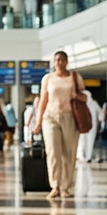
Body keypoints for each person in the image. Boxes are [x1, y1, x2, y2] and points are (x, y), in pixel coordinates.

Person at [31, 51, 87, 200]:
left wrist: (76, 95)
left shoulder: (75, 77)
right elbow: (43, 100)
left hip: (70, 117)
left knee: (69, 153)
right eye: (57, 60)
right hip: (50, 117)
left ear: (67, 61)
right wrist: (38, 122)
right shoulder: (48, 78)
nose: (59, 63)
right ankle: (55, 186)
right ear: (53, 62)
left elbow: (84, 97)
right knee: (53, 153)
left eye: (62, 60)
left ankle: (65, 187)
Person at [77, 94, 102, 163]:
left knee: (82, 141)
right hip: (90, 126)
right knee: (88, 142)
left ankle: (82, 156)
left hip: (83, 126)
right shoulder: (94, 103)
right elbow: (101, 114)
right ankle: (88, 157)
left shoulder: (80, 104)